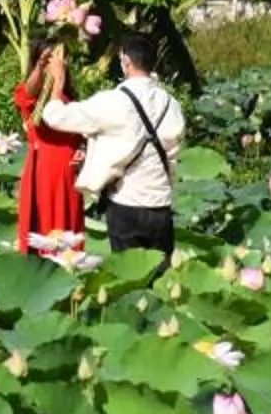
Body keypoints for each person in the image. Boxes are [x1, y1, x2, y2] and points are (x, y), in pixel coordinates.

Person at [34, 33, 183, 266]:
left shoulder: (113, 102)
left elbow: (55, 117)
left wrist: (58, 85)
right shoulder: (172, 105)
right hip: (161, 206)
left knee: (129, 282)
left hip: (126, 204)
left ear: (126, 62)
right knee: (160, 281)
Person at [12, 40, 85, 256]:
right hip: (42, 171)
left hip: (68, 174)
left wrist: (84, 152)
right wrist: (42, 68)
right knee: (43, 233)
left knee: (68, 238)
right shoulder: (36, 99)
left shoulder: (70, 101)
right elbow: (27, 93)